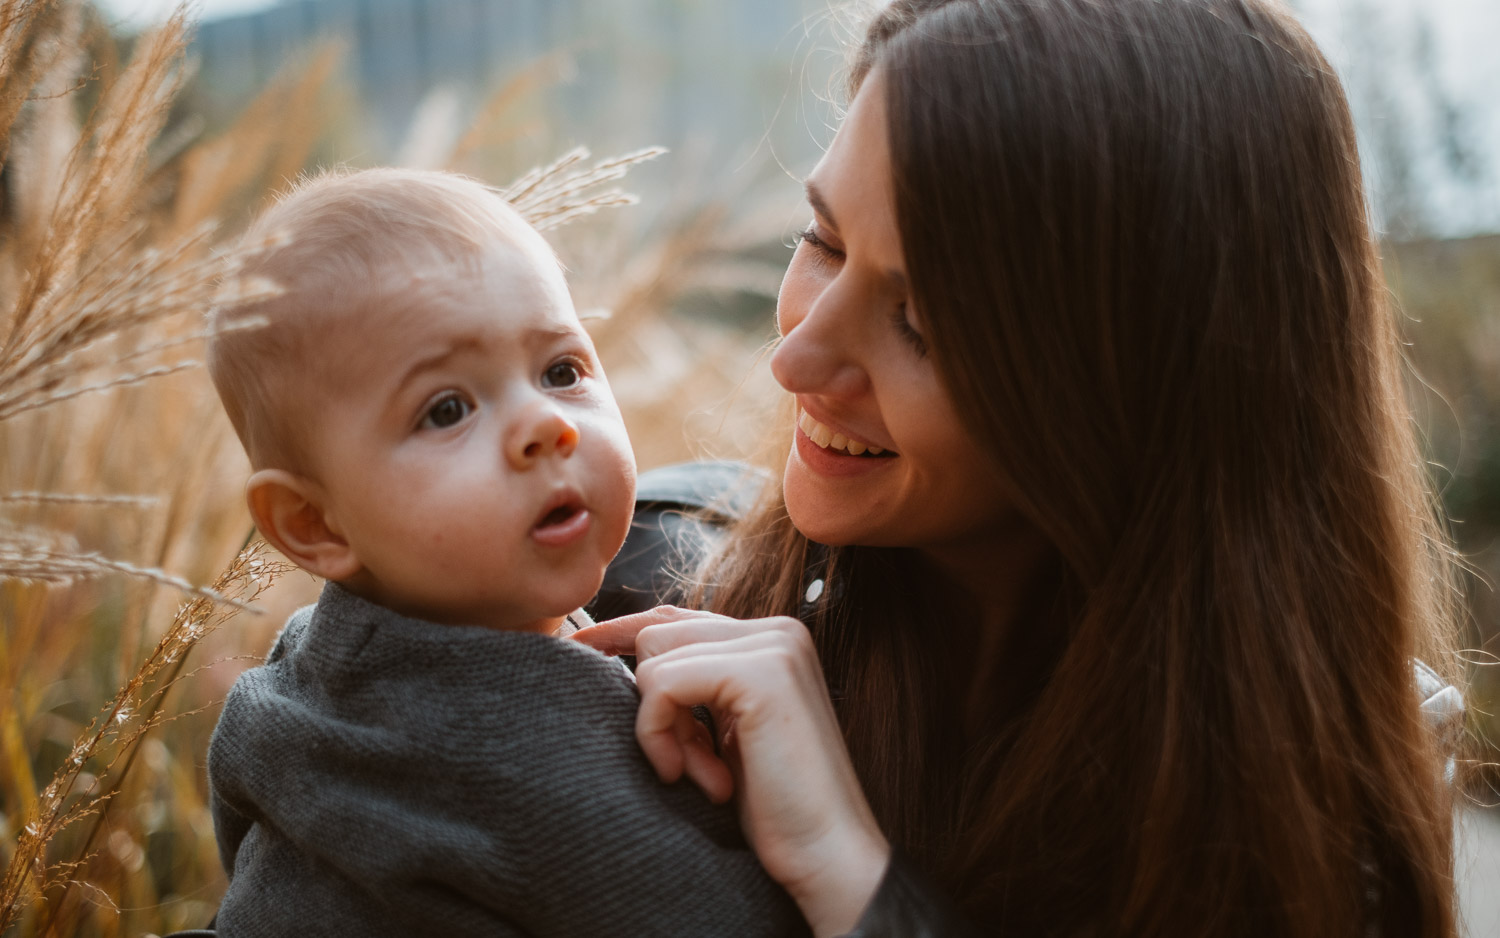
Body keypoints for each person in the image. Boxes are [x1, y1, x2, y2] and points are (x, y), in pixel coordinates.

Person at [572, 1, 1471, 936]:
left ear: (1145, 382)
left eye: (923, 321)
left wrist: (851, 876)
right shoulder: (621, 581)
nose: (793, 361)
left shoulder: (1330, 791)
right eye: (823, 241)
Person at [200, 168, 806, 937]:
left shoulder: (298, 670)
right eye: (446, 409)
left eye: (561, 371)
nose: (545, 425)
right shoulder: (537, 774)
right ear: (315, 522)